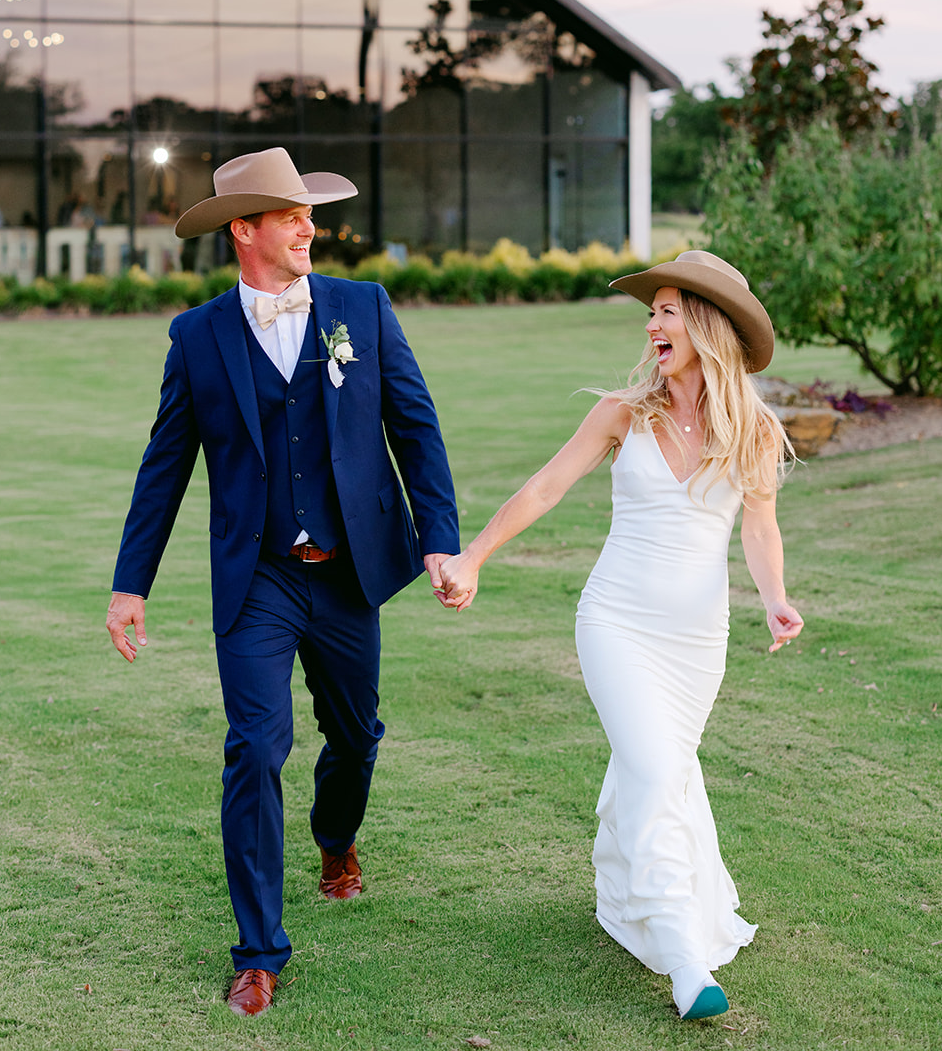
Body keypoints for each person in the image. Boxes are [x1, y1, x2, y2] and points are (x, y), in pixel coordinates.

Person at [106, 148, 459, 1020]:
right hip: (256, 576)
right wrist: (129, 584)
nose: (308, 228)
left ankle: (335, 837)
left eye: (309, 214)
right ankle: (258, 952)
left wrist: (440, 542)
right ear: (244, 230)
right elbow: (164, 467)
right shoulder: (197, 337)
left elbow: (415, 428)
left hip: (346, 573)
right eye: (291, 215)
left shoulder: (360, 308)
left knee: (355, 735)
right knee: (256, 750)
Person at [437, 250, 804, 1023]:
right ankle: (682, 958)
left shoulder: (754, 430)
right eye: (651, 313)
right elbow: (545, 486)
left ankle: (624, 890)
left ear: (705, 325)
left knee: (660, 773)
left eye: (666, 312)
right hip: (616, 623)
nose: (650, 326)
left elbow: (759, 529)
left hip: (696, 641)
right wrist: (473, 556)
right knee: (652, 764)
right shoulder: (621, 413)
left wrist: (774, 598)